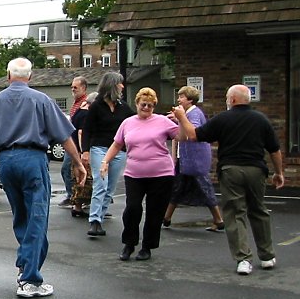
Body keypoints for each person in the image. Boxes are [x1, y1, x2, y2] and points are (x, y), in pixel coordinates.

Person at [0, 58, 86, 298]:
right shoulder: (42, 100)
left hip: (5, 161)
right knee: (37, 218)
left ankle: (25, 265)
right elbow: (64, 135)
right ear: (31, 77)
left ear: (8, 75)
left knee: (21, 216)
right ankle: (29, 278)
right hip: (32, 159)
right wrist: (77, 162)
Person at [172, 84, 284, 275]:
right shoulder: (261, 119)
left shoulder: (223, 119)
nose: (225, 100)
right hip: (256, 170)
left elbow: (193, 135)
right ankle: (266, 256)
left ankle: (243, 259)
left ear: (232, 100)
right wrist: (278, 172)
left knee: (235, 212)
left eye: (226, 97)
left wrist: (181, 117)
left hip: (231, 169)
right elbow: (274, 149)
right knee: (258, 210)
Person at [100, 88, 178, 261]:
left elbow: (184, 137)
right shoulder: (127, 123)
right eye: (143, 104)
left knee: (154, 211)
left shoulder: (163, 122)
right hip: (135, 174)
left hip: (161, 174)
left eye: (150, 105)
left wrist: (182, 119)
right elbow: (116, 144)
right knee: (132, 209)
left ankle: (147, 247)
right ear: (136, 104)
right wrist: (105, 161)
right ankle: (129, 244)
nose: (146, 108)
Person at [163, 86, 224, 232]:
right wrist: (178, 118)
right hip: (185, 158)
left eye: (182, 97)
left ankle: (219, 219)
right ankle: (166, 218)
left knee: (204, 187)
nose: (178, 99)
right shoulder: (185, 113)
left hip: (195, 159)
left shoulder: (194, 113)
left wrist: (181, 118)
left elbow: (193, 132)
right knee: (177, 188)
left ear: (190, 100)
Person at [81, 71, 135, 237]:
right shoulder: (96, 106)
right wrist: (86, 151)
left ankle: (101, 217)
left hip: (119, 151)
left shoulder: (123, 107)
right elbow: (87, 129)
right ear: (112, 85)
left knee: (110, 188)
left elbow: (136, 120)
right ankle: (95, 220)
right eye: (120, 83)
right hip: (99, 148)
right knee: (101, 184)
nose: (122, 86)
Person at [58, 76, 87, 208]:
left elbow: (82, 129)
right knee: (67, 171)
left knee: (69, 170)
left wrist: (82, 149)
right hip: (71, 142)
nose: (73, 89)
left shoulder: (85, 104)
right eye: (72, 87)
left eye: (75, 87)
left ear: (83, 88)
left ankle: (74, 197)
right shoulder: (76, 104)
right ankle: (74, 196)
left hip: (77, 146)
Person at [70, 92, 98, 217]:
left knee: (78, 179)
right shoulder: (86, 115)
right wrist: (84, 152)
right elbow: (81, 132)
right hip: (81, 151)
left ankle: (78, 206)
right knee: (84, 180)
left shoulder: (78, 113)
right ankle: (78, 207)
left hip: (74, 150)